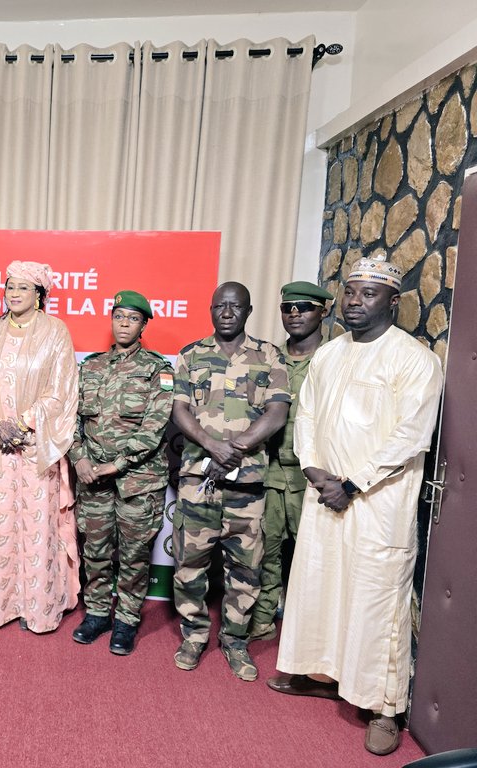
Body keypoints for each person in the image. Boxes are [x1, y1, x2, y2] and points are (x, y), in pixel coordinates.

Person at [268, 255, 442, 757]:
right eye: (349, 292)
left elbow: (411, 436)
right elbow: (307, 416)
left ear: (393, 301)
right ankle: (325, 676)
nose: (354, 302)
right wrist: (313, 469)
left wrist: (352, 482)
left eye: (369, 294)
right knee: (322, 587)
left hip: (378, 503)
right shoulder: (329, 354)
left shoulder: (414, 359)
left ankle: (385, 707)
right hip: (326, 494)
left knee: (377, 601)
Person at [171, 281, 290, 681]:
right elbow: (179, 410)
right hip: (198, 479)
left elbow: (277, 413)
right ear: (210, 309)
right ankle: (193, 636)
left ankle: (235, 640)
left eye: (235, 306)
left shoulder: (268, 355)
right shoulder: (190, 355)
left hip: (247, 484)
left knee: (246, 568)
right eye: (219, 305)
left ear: (248, 311)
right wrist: (211, 446)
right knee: (189, 564)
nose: (226, 312)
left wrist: (234, 449)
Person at [0, 261, 80, 634]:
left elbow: (61, 389)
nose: (14, 293)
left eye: (23, 288)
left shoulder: (55, 332)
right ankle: (0, 601)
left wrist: (23, 422)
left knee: (38, 524)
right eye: (10, 287)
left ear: (39, 295)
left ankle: (36, 605)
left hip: (37, 444)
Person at [69, 290, 173, 654]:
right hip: (93, 479)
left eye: (132, 318)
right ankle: (97, 613)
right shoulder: (90, 367)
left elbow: (154, 426)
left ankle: (127, 620)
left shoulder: (158, 369)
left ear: (143, 326)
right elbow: (70, 420)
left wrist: (118, 463)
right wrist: (79, 459)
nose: (124, 324)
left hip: (137, 482)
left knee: (133, 556)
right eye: (119, 317)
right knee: (95, 551)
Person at [248, 281, 332, 642]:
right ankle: (263, 617)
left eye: (305, 307)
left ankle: (310, 633)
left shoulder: (334, 359)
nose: (295, 314)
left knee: (314, 555)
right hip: (268, 469)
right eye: (288, 308)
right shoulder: (269, 358)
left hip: (313, 476)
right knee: (265, 550)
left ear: (323, 311)